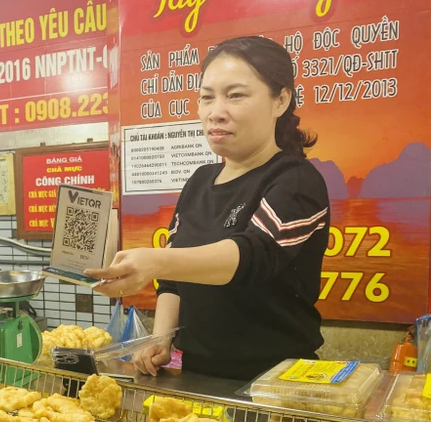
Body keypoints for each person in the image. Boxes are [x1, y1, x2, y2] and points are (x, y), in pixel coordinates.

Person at [89, 36, 329, 381]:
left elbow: (252, 255)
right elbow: (174, 276)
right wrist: (161, 337)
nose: (216, 112)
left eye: (236, 95)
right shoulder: (201, 180)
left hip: (277, 377)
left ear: (281, 100)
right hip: (199, 372)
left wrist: (155, 261)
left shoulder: (296, 180)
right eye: (207, 97)